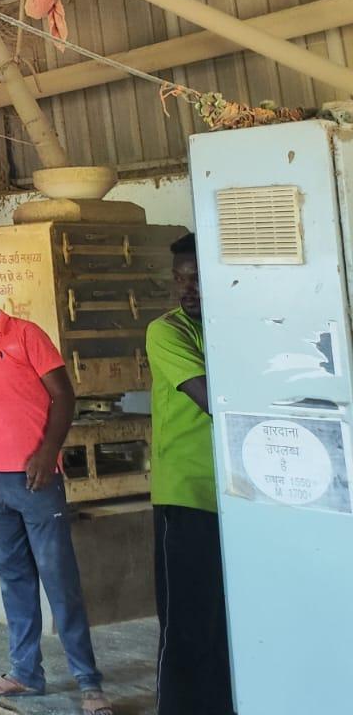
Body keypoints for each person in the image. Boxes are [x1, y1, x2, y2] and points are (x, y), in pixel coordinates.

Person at [0, 262, 111, 715]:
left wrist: (46, 451)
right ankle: (25, 673)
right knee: (14, 580)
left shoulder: (25, 335)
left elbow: (63, 395)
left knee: (60, 581)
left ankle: (89, 683)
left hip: (36, 480)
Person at [146, 234, 233, 715]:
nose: (187, 288)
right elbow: (216, 402)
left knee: (225, 621)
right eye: (180, 278)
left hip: (234, 500)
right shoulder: (167, 332)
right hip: (186, 497)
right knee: (185, 625)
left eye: (196, 277)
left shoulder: (233, 329)